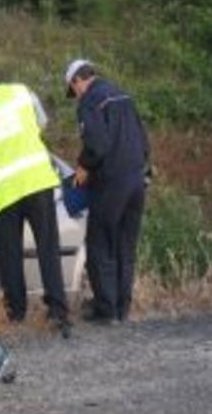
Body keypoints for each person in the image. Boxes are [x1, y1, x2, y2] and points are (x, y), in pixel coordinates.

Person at [0, 73, 71, 337]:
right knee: (48, 247)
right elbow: (40, 123)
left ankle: (17, 311)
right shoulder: (22, 92)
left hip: (5, 192)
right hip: (38, 181)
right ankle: (58, 311)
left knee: (10, 254)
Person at [64, 59, 150, 324]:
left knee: (100, 244)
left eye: (73, 89)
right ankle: (123, 308)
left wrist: (83, 165)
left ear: (78, 81)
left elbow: (97, 146)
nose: (75, 95)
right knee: (125, 246)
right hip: (137, 180)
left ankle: (106, 310)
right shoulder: (122, 95)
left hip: (111, 182)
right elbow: (144, 140)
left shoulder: (90, 102)